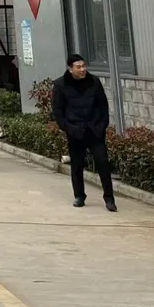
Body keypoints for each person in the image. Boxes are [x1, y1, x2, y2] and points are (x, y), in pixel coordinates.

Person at [51, 53, 117, 212]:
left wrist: (102, 125)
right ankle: (79, 196)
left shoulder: (94, 82)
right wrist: (68, 128)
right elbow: (58, 111)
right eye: (78, 67)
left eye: (84, 66)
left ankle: (109, 199)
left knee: (103, 163)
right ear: (70, 69)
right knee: (77, 165)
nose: (82, 69)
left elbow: (103, 106)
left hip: (95, 130)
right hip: (75, 131)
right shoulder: (60, 85)